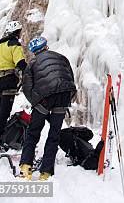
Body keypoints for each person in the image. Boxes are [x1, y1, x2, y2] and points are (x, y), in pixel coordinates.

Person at [19, 37, 76, 181]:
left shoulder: (32, 63)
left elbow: (26, 87)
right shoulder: (62, 58)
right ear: (46, 47)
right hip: (64, 95)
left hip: (45, 98)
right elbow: (70, 78)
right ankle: (46, 172)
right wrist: (68, 98)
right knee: (54, 135)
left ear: (34, 52)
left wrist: (36, 102)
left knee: (33, 132)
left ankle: (26, 167)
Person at [0, 21, 27, 151]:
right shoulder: (15, 45)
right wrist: (29, 73)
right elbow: (20, 63)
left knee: (0, 106)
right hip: (9, 80)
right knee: (5, 110)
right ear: (17, 32)